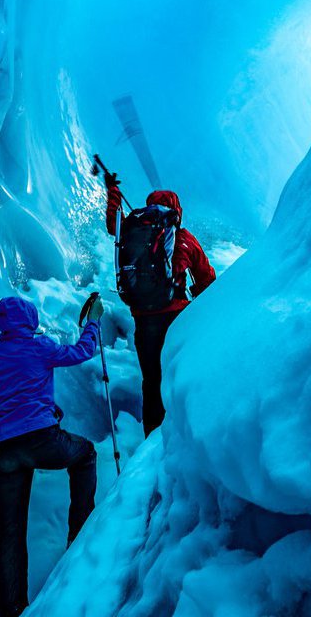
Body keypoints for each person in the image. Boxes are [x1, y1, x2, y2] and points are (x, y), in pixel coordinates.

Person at [0, 295, 103, 617]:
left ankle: (12, 607)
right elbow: (82, 352)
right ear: (29, 319)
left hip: (1, 451)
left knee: (8, 532)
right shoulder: (40, 347)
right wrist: (94, 323)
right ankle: (80, 535)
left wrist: (10, 418)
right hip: (42, 440)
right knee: (85, 454)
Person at [104, 174, 216, 436]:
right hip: (177, 320)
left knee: (152, 382)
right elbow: (206, 279)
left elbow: (114, 223)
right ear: (177, 210)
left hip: (144, 322)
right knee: (182, 375)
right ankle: (187, 435)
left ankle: (152, 441)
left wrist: (113, 192)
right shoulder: (183, 238)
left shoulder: (132, 229)